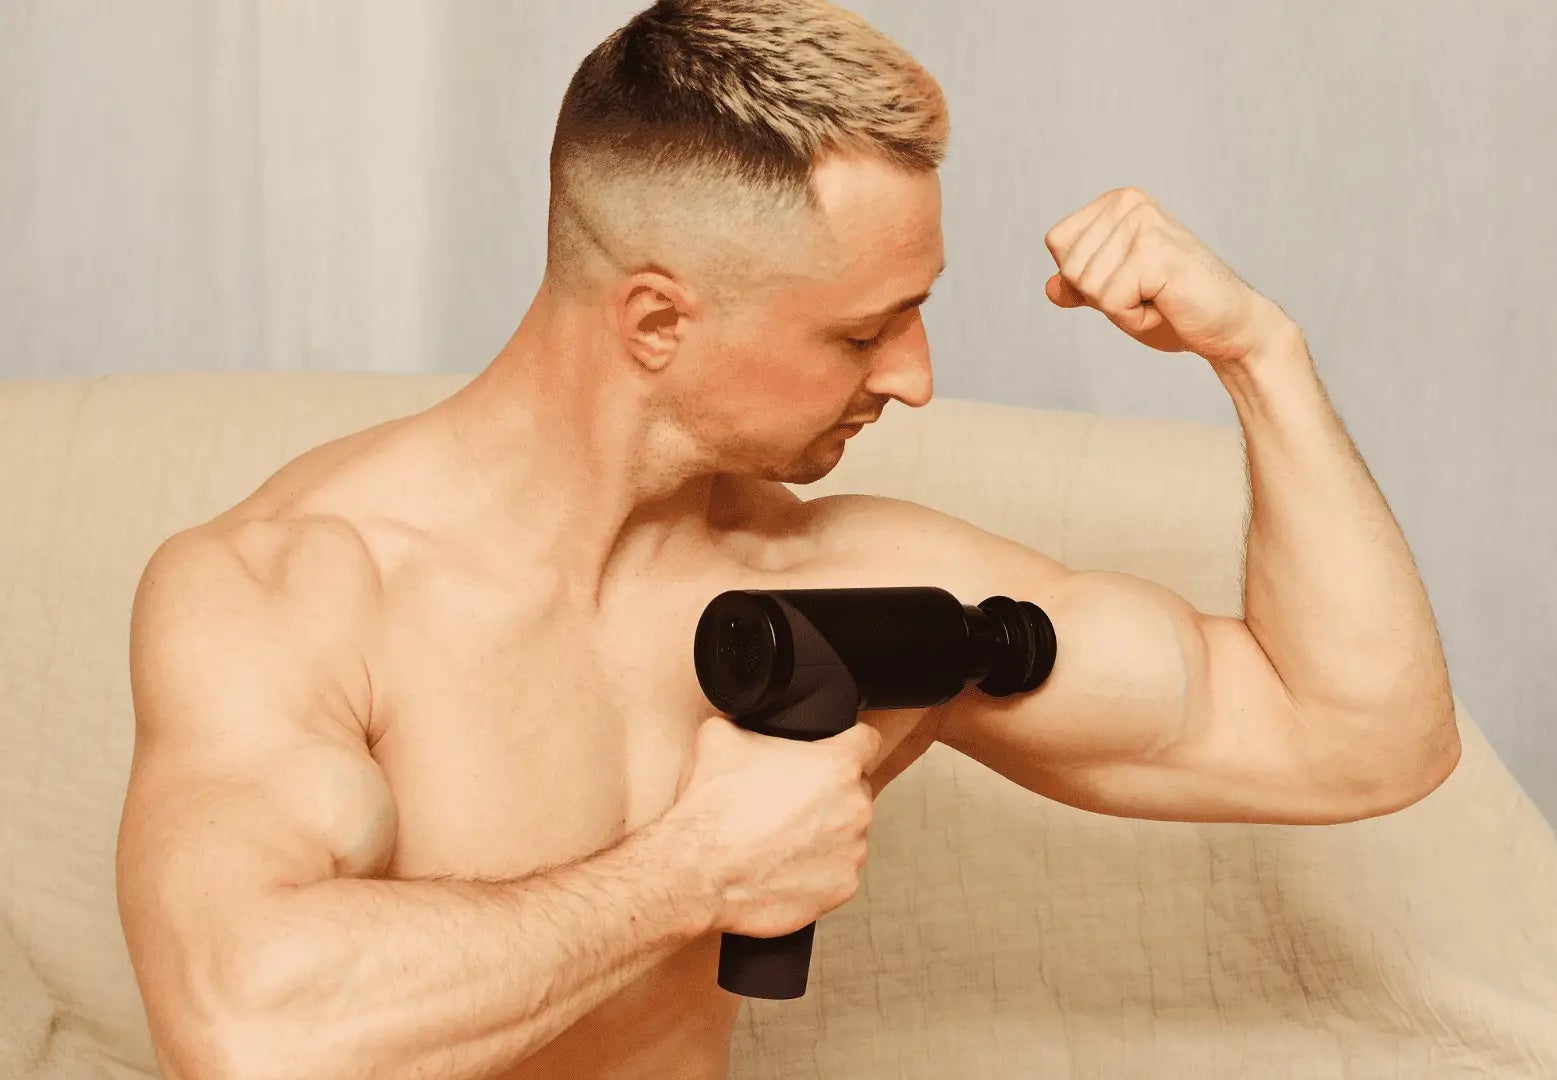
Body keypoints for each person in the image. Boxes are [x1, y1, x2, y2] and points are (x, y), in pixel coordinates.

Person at [114, 1, 1460, 1077]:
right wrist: (692, 872)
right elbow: (252, 1031)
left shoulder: (842, 592)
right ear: (655, 322)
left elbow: (1356, 738)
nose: (918, 377)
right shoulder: (285, 588)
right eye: (862, 330)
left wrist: (1258, 357)